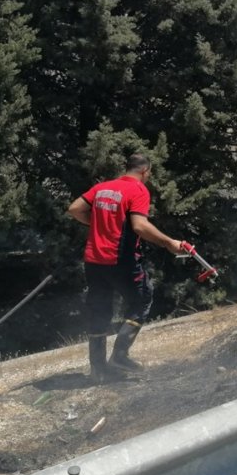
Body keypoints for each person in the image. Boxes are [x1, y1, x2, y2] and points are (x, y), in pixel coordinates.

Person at [67, 153, 186, 382]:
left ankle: (98, 370)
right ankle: (120, 355)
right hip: (119, 259)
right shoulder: (138, 190)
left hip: (93, 260)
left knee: (99, 310)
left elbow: (74, 209)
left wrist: (100, 223)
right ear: (145, 171)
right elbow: (140, 226)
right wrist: (169, 242)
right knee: (142, 298)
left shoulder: (102, 188)